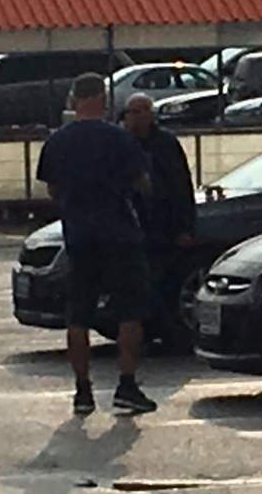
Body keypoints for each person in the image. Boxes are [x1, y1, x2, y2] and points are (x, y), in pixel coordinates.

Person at [36, 72, 158, 416]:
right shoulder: (120, 139)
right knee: (130, 311)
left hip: (79, 235)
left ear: (74, 99)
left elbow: (52, 188)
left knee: (79, 314)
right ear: (103, 99)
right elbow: (143, 183)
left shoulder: (57, 141)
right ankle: (126, 385)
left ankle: (82, 390)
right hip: (120, 233)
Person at [121, 93, 196, 345]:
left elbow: (181, 185)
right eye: (131, 113)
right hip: (132, 225)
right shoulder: (122, 144)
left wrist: (185, 226)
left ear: (150, 115)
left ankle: (168, 333)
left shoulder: (165, 143)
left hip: (164, 224)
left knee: (164, 281)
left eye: (140, 112)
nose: (135, 118)